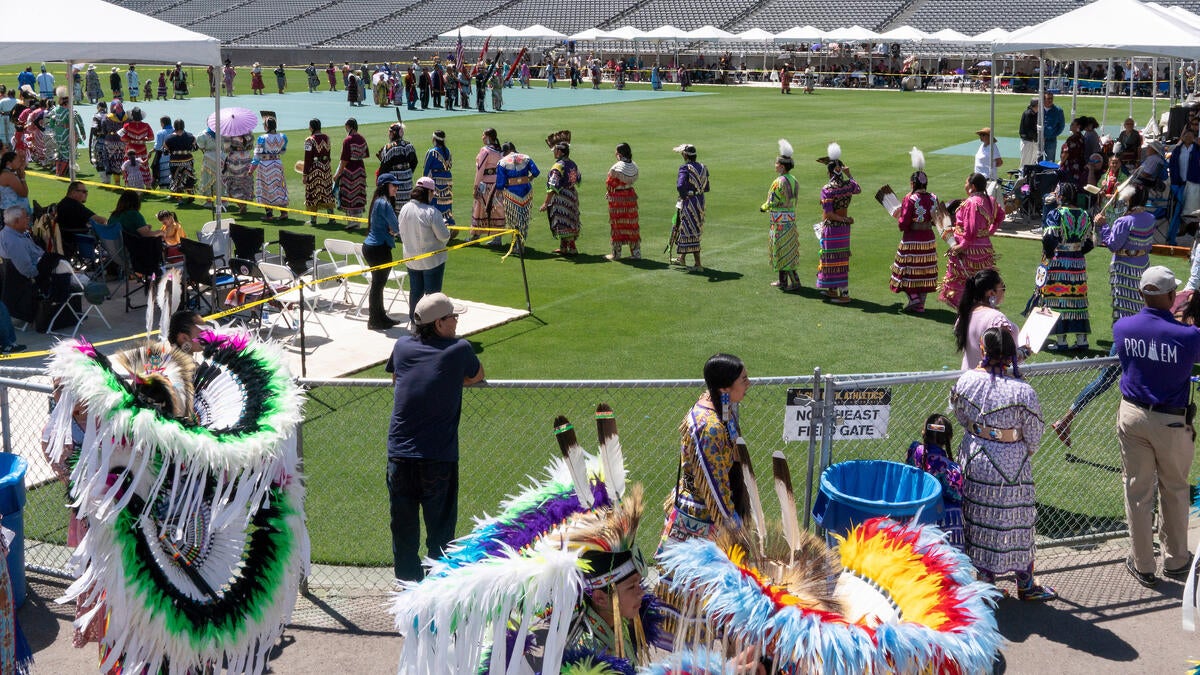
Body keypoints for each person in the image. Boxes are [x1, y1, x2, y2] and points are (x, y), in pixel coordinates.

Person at [384, 291, 485, 581]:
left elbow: (397, 378)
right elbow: (476, 375)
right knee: (441, 537)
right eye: (452, 317)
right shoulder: (459, 349)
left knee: (403, 533)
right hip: (437, 459)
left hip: (400, 457)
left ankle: (408, 592)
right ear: (439, 324)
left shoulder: (402, 346)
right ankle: (435, 594)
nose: (456, 321)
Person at [951, 327, 1055, 601]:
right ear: (1011, 355)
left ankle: (985, 586)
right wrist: (1024, 451)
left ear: (983, 351)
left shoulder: (967, 381)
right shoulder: (1023, 391)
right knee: (1016, 523)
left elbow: (960, 414)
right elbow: (1034, 431)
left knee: (977, 520)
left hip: (974, 459)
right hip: (1012, 465)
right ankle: (1026, 585)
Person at [1114, 266, 1200, 588]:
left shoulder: (1123, 328)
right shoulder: (1188, 336)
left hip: (1133, 415)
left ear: (1141, 294)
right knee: (1175, 489)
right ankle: (1176, 560)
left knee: (1137, 491)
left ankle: (1143, 564)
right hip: (1172, 421)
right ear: (1168, 296)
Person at [1051, 186, 1157, 446]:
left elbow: (1112, 244)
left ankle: (1068, 417)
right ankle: (1068, 418)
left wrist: (1101, 226)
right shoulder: (1150, 219)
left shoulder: (1123, 221)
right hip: (1140, 270)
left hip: (1124, 277)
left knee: (1108, 374)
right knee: (1112, 374)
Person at [659, 353, 749, 551]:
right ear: (724, 388)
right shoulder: (709, 427)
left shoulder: (719, 404)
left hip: (705, 509)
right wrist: (731, 522)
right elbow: (715, 481)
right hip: (703, 515)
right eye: (743, 380)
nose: (748, 384)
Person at [1039, 182, 1093, 350]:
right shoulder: (1085, 214)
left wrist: (1048, 254)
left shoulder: (1056, 214)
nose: (1055, 196)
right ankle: (1082, 339)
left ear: (1061, 196)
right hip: (1077, 263)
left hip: (1059, 261)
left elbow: (1049, 238)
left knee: (1058, 296)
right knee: (1077, 298)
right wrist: (1077, 252)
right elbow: (1090, 242)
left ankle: (1061, 341)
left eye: (1056, 193)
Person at [939, 173, 1004, 308]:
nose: (965, 185)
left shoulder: (971, 202)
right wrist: (988, 232)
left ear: (972, 187)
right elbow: (1000, 216)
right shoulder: (990, 200)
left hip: (969, 251)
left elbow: (971, 229)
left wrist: (962, 246)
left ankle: (967, 310)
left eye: (966, 183)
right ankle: (981, 306)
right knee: (983, 279)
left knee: (965, 281)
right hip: (984, 248)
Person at [890, 148, 940, 313]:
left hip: (912, 238)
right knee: (925, 270)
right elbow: (937, 219)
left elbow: (903, 223)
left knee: (906, 270)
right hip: (928, 239)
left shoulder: (910, 198)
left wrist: (899, 220)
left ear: (913, 184)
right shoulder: (933, 197)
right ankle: (921, 303)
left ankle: (915, 300)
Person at [905, 414, 963, 549]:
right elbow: (956, 495)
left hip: (917, 510)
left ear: (924, 433)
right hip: (942, 517)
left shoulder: (915, 452)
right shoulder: (951, 468)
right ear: (949, 437)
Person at [399, 176, 452, 321]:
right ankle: (431, 327)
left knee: (415, 293)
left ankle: (415, 324)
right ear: (428, 192)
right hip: (432, 261)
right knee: (433, 296)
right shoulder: (431, 212)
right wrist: (446, 228)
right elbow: (443, 236)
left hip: (411, 259)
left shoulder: (404, 208)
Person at [816, 142, 860, 303]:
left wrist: (844, 219)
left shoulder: (827, 189)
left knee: (832, 259)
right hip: (844, 229)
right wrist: (850, 175)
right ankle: (833, 291)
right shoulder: (848, 185)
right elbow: (858, 188)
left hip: (833, 228)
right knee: (841, 258)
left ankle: (844, 294)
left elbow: (828, 214)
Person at [954, 269, 1021, 370]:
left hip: (967, 378)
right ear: (991, 293)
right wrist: (1025, 351)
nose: (1004, 292)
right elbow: (1006, 357)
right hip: (991, 380)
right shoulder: (997, 318)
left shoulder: (965, 315)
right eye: (1003, 287)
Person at [362, 174, 404, 330]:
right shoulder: (384, 203)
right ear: (385, 186)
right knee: (378, 285)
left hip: (373, 247)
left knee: (377, 285)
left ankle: (380, 316)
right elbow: (397, 226)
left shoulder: (378, 201)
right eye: (393, 185)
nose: (396, 188)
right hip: (379, 248)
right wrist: (394, 231)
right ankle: (375, 319)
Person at [761, 139, 800, 290]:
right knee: (788, 249)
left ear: (782, 166)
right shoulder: (793, 180)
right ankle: (783, 281)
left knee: (782, 250)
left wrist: (764, 207)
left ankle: (795, 282)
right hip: (790, 220)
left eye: (777, 163)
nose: (775, 165)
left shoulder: (779, 182)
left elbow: (772, 200)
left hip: (779, 222)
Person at [493, 141, 540, 255]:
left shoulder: (502, 162)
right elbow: (535, 171)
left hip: (512, 193)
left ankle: (518, 245)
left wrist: (497, 195)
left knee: (514, 219)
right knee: (523, 218)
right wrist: (529, 179)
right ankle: (520, 243)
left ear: (506, 151)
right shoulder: (526, 158)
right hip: (526, 191)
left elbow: (500, 182)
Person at [540, 141, 583, 257]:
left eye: (555, 150)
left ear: (559, 152)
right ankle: (563, 247)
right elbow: (578, 178)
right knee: (569, 219)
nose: (554, 152)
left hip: (561, 197)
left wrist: (546, 203)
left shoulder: (558, 166)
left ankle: (572, 248)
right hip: (572, 194)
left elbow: (553, 186)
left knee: (564, 220)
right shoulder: (572, 163)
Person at [606, 142, 641, 260]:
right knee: (632, 225)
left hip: (618, 200)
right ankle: (636, 253)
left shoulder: (616, 167)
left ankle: (616, 254)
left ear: (619, 154)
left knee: (617, 225)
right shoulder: (634, 166)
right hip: (630, 197)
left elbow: (610, 184)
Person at [471, 128, 504, 244]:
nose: (482, 137)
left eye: (483, 135)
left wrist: (475, 187)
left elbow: (480, 170)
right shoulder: (500, 150)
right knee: (497, 210)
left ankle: (475, 236)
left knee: (479, 208)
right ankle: (497, 237)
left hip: (486, 185)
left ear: (488, 137)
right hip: (498, 185)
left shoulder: (485, 151)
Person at [252, 117, 288, 221]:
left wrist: (251, 168)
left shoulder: (262, 138)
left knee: (266, 188)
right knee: (279, 187)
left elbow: (257, 154)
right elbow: (283, 151)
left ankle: (269, 214)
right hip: (277, 164)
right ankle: (283, 212)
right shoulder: (283, 137)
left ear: (266, 126)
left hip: (265, 166)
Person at [377, 122, 417, 216]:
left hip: (394, 187)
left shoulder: (388, 148)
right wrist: (407, 174)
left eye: (389, 132)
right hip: (408, 186)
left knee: (394, 212)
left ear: (392, 133)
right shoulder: (409, 146)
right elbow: (414, 162)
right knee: (406, 212)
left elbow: (384, 168)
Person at [335, 118, 369, 226]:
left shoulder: (347, 140)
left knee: (349, 194)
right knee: (359, 194)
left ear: (349, 127)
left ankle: (351, 221)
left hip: (350, 170)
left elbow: (344, 160)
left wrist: (338, 174)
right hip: (360, 169)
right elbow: (366, 154)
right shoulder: (362, 138)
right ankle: (357, 220)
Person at [1168, 127, 1200, 245]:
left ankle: (1190, 228)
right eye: (1186, 136)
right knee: (1178, 208)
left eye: (1191, 136)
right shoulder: (1177, 150)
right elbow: (1172, 165)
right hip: (1179, 182)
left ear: (1194, 138)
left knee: (1191, 209)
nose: (1188, 138)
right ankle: (1177, 231)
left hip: (1193, 183)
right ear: (1183, 137)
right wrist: (1174, 181)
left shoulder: (1197, 149)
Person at [55, 181, 108, 251]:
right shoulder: (75, 206)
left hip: (64, 241)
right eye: (84, 192)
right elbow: (101, 220)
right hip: (79, 241)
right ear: (73, 192)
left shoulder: (62, 203)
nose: (86, 194)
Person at [47, 89, 84, 178]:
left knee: (60, 152)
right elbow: (78, 121)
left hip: (57, 134)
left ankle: (59, 171)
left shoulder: (55, 109)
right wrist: (81, 132)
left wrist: (54, 129)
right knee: (68, 153)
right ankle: (62, 173)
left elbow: (51, 121)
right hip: (66, 135)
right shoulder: (69, 112)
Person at [422, 130, 454, 227]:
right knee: (446, 202)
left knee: (435, 201)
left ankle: (435, 225)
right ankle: (448, 223)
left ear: (434, 139)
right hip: (447, 180)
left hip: (436, 180)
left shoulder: (432, 152)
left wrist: (424, 183)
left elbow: (426, 168)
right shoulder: (447, 151)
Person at [164, 119, 196, 204]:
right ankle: (190, 196)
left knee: (176, 179)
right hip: (188, 161)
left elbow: (165, 151)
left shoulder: (169, 138)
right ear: (183, 126)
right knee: (189, 178)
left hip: (175, 162)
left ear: (174, 126)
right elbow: (195, 148)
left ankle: (179, 199)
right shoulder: (190, 136)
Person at [223, 131, 254, 216]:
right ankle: (243, 204)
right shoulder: (249, 133)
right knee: (245, 182)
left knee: (232, 185)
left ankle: (241, 205)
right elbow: (251, 146)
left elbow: (226, 148)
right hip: (247, 159)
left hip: (235, 160)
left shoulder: (229, 134)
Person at [1059, 117, 1088, 192]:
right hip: (1079, 165)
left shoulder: (1072, 139)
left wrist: (1061, 163)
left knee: (1068, 186)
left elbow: (1066, 153)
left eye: (1073, 124)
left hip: (1070, 167)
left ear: (1078, 126)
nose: (1070, 125)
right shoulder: (1082, 137)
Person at [1018, 97, 1040, 176]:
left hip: (1031, 141)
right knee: (1025, 164)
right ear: (1036, 105)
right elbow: (1029, 130)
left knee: (1031, 162)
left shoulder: (1034, 113)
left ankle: (1027, 180)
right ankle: (1021, 181)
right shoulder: (1028, 114)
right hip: (1028, 142)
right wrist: (1037, 137)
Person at [1041, 91, 1065, 160]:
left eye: (1051, 98)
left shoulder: (1058, 110)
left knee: (1050, 160)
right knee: (1036, 160)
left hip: (1051, 140)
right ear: (1043, 99)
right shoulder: (1038, 109)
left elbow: (1061, 126)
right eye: (1048, 98)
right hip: (1039, 140)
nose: (1050, 100)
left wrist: (1053, 134)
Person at [151, 115, 172, 188]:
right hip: (174, 156)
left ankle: (155, 182)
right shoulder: (176, 131)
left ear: (163, 123)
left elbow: (158, 147)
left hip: (164, 156)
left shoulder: (161, 133)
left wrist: (151, 151)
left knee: (155, 166)